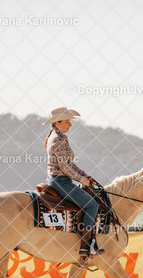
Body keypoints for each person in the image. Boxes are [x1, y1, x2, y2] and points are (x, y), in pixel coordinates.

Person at [43, 107, 104, 257]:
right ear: (58, 122)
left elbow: (70, 164)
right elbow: (65, 168)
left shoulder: (59, 137)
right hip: (60, 181)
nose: (70, 124)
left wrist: (85, 176)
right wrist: (82, 179)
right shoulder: (57, 140)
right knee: (92, 205)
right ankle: (87, 245)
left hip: (59, 179)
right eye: (67, 121)